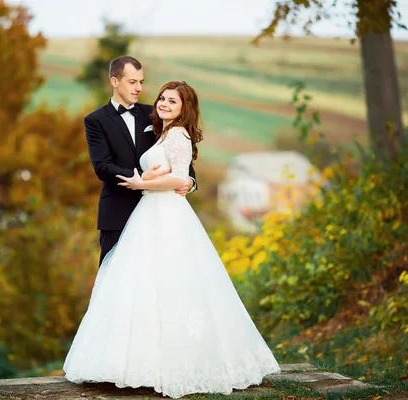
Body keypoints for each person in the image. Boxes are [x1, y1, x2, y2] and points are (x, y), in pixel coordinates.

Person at [63, 80, 281, 398]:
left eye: (172, 102)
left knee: (169, 283)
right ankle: (139, 363)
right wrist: (149, 179)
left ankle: (172, 365)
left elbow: (181, 176)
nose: (164, 104)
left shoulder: (178, 135)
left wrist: (143, 184)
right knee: (143, 284)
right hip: (149, 213)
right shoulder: (161, 132)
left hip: (165, 214)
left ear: (184, 109)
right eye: (162, 98)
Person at [82, 56, 197, 266]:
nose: (138, 88)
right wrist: (141, 177)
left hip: (158, 212)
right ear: (115, 82)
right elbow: (102, 166)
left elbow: (177, 151)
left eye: (141, 82)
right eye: (132, 82)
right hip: (117, 211)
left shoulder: (154, 113)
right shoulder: (95, 121)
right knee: (114, 277)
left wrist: (190, 180)